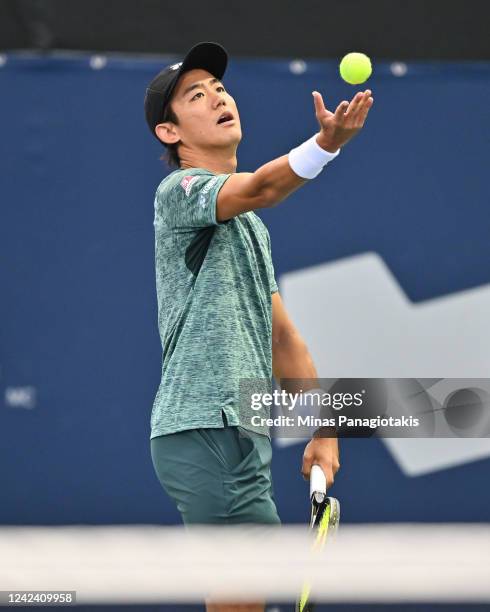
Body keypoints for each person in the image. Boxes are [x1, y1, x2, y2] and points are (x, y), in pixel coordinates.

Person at [144, 41, 373, 612]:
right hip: (200, 426)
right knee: (242, 595)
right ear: (171, 134)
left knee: (242, 599)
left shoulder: (250, 231)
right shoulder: (179, 192)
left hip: (241, 432)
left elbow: (282, 339)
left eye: (220, 88)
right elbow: (264, 187)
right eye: (196, 96)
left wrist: (324, 431)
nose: (219, 97)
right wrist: (327, 144)